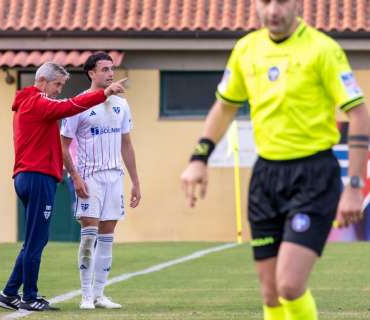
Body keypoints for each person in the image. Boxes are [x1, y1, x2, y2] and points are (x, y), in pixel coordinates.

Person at [180, 1, 369, 319]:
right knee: (270, 294)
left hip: (313, 175)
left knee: (289, 286)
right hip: (266, 176)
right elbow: (225, 107)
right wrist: (199, 157)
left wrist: (353, 185)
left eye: (281, 1)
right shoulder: (246, 49)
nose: (273, 10)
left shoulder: (323, 49)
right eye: (265, 1)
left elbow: (359, 114)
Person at [0, 62, 127, 312]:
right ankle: (29, 296)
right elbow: (70, 106)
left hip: (27, 176)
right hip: (37, 176)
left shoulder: (28, 102)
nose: (58, 90)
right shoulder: (38, 102)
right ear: (42, 80)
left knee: (34, 238)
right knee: (37, 240)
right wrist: (105, 93)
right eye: (57, 85)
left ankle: (9, 293)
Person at [60, 52, 141, 310]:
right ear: (91, 73)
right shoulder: (78, 104)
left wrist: (136, 182)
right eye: (104, 69)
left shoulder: (121, 105)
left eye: (112, 69)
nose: (110, 73)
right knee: (88, 235)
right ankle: (85, 295)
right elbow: (63, 146)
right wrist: (75, 177)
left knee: (108, 236)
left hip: (114, 177)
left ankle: (99, 294)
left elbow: (127, 145)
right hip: (89, 177)